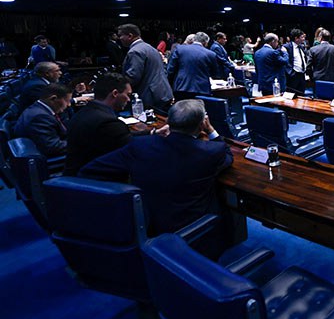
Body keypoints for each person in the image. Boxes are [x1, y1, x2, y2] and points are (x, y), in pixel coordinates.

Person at [79, 99, 232, 235]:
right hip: (191, 228)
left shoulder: (140, 145)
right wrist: (211, 130)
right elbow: (227, 153)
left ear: (169, 122)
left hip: (144, 223)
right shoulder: (210, 151)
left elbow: (89, 170)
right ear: (201, 125)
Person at [65, 72, 169, 176]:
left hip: (76, 175)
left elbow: (121, 137)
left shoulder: (82, 113)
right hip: (95, 182)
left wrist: (153, 132)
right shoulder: (108, 122)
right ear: (115, 93)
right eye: (127, 95)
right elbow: (134, 147)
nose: (128, 100)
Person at [118, 23, 173, 113]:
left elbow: (133, 77)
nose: (119, 38)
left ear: (130, 36)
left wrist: (117, 86)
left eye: (120, 35)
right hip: (162, 92)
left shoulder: (135, 51)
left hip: (150, 95)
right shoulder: (150, 47)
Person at [13, 83, 72, 157]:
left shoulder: (39, 108)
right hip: (48, 159)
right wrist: (79, 142)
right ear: (53, 98)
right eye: (67, 101)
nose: (69, 104)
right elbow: (53, 147)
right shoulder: (40, 117)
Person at [167, 32, 220, 99]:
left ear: (194, 39)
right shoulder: (211, 54)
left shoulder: (179, 49)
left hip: (181, 88)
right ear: (206, 43)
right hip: (202, 90)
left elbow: (170, 70)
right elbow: (215, 74)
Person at [286, 28, 309, 95]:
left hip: (302, 75)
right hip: (293, 76)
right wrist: (291, 73)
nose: (303, 39)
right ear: (296, 38)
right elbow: (286, 62)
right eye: (302, 37)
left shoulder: (301, 47)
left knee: (301, 95)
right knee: (291, 97)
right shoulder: (287, 47)